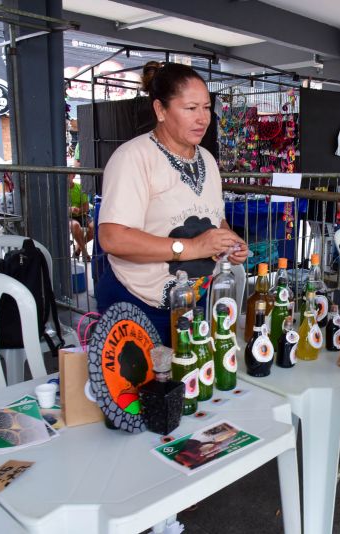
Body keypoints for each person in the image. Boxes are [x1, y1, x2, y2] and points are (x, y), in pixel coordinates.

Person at [97, 62, 248, 344]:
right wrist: (192, 247)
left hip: (196, 302)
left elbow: (215, 217)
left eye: (206, 108)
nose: (202, 118)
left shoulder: (208, 160)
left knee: (193, 382)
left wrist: (228, 241)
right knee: (143, 388)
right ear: (160, 110)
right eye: (191, 108)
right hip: (139, 305)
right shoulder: (133, 157)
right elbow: (113, 238)